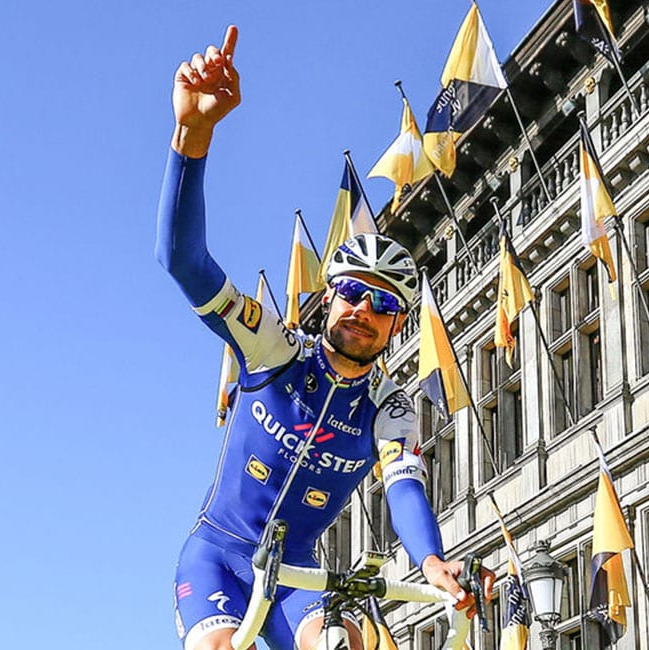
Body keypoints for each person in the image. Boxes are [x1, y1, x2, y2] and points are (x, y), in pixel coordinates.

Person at [157, 26, 490, 650]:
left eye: (385, 303)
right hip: (216, 559)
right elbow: (183, 260)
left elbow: (406, 485)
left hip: (296, 577)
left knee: (345, 644)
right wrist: (192, 137)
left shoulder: (390, 407)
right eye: (353, 292)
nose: (364, 309)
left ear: (397, 326)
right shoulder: (274, 350)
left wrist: (431, 561)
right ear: (328, 298)